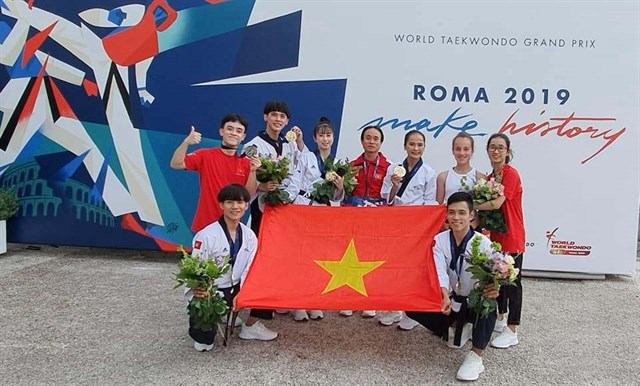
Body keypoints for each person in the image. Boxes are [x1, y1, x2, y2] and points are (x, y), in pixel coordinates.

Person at [406, 192, 499, 381]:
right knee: (411, 305)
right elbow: (439, 271)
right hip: (452, 298)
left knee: (488, 305)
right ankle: (455, 327)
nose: (456, 218)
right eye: (452, 212)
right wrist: (444, 294)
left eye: (462, 213)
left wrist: (495, 288)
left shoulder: (483, 243)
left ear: (472, 214)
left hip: (473, 301)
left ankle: (476, 356)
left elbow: (497, 275)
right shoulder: (440, 240)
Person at [186, 184, 278, 352]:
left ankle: (249, 326)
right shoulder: (206, 235)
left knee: (269, 281)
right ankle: (213, 321)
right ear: (221, 205)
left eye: (240, 202)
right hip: (212, 290)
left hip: (236, 286)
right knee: (204, 343)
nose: (235, 207)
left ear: (246, 205)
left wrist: (244, 293)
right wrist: (200, 289)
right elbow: (195, 269)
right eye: (229, 202)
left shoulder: (249, 235)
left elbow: (250, 268)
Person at [244, 101, 305, 321]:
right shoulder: (253, 146)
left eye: (282, 116)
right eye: (274, 115)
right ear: (265, 117)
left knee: (281, 255)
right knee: (262, 256)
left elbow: (298, 169)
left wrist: (298, 141)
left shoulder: (287, 144)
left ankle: (274, 300)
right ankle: (257, 315)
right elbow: (244, 177)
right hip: (262, 209)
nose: (278, 119)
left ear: (287, 121)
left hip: (283, 208)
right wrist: (262, 186)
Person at [379, 130, 437, 330]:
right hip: (395, 224)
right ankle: (392, 308)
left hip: (416, 226)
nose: (416, 148)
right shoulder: (394, 169)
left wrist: (422, 225)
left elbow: (430, 202)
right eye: (412, 144)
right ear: (405, 145)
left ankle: (409, 313)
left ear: (424, 147)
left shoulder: (429, 173)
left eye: (420, 144)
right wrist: (394, 185)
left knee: (411, 269)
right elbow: (385, 197)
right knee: (392, 265)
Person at [289, 117, 345, 322]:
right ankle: (299, 303)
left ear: (333, 138)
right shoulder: (306, 158)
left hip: (325, 212)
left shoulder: (338, 163)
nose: (325, 139)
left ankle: (315, 301)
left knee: (321, 258)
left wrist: (340, 186)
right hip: (305, 207)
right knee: (302, 257)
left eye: (328, 135)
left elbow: (339, 197)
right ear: (314, 138)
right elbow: (295, 183)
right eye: (321, 135)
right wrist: (287, 203)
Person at [170, 114, 261, 232]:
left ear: (243, 137)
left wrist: (253, 171)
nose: (234, 133)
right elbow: (175, 164)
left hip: (232, 226)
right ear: (221, 131)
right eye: (229, 128)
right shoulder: (205, 155)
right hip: (205, 225)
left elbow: (248, 193)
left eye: (239, 131)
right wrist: (186, 143)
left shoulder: (247, 163)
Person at [475, 133, 525, 349]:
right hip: (496, 236)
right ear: (487, 151)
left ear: (507, 151)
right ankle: (500, 318)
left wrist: (469, 204)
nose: (496, 151)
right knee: (498, 280)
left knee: (513, 283)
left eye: (500, 147)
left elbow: (496, 204)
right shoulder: (490, 177)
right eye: (492, 147)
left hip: (512, 235)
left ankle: (513, 329)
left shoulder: (510, 174)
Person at [340, 125, 392, 318]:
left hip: (377, 218)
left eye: (375, 138)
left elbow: (390, 196)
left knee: (372, 257)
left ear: (380, 142)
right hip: (354, 217)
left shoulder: (389, 167)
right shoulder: (352, 166)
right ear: (362, 141)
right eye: (368, 138)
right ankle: (350, 299)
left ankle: (369, 300)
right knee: (352, 254)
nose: (371, 141)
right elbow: (344, 193)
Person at [436, 132, 486, 204]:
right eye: (458, 149)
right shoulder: (443, 177)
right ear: (453, 151)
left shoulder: (480, 178)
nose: (462, 153)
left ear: (472, 151)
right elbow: (438, 207)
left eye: (466, 149)